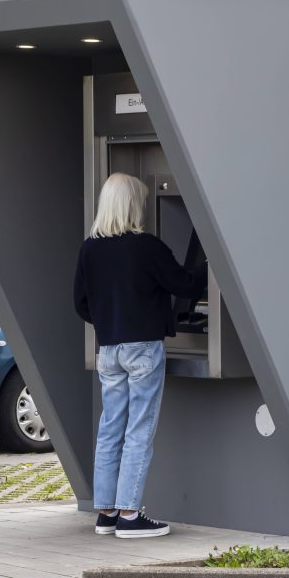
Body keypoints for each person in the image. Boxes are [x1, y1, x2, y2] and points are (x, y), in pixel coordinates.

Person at [74, 172, 205, 539]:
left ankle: (107, 514)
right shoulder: (146, 246)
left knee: (111, 428)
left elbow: (80, 303)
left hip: (109, 349)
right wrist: (211, 262)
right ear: (133, 204)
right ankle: (131, 515)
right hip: (143, 348)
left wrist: (110, 321)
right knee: (139, 430)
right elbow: (184, 284)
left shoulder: (90, 248)